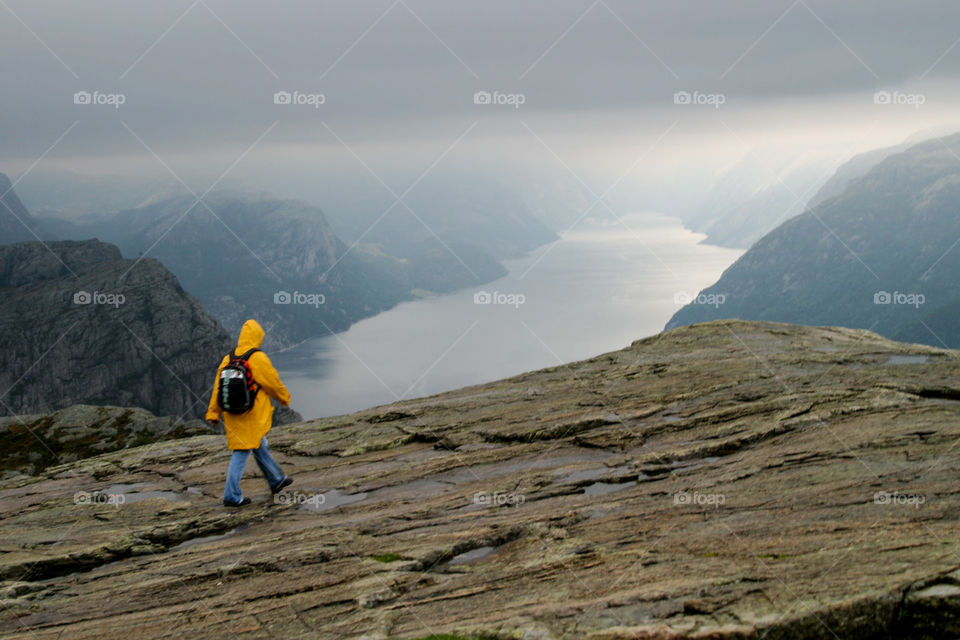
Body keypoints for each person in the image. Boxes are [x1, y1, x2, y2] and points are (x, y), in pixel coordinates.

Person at [206, 319, 294, 506]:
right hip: (251, 414)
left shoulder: (228, 359)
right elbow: (272, 382)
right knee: (241, 452)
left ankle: (276, 479)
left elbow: (217, 389)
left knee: (259, 444)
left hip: (232, 414)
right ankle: (231, 495)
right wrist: (284, 397)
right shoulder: (256, 358)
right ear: (257, 336)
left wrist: (214, 413)